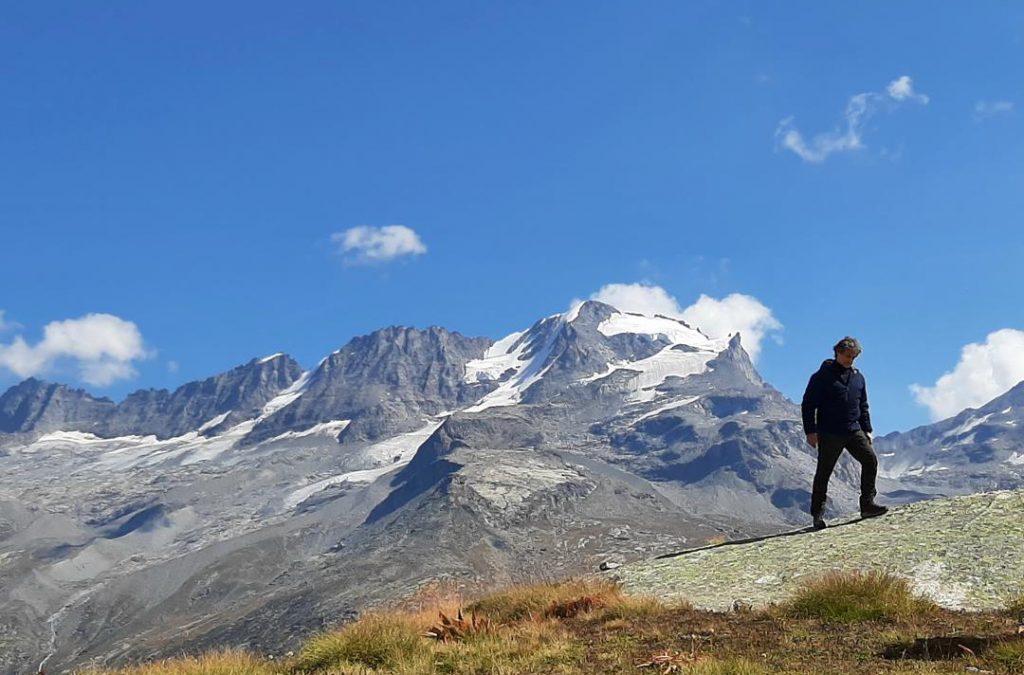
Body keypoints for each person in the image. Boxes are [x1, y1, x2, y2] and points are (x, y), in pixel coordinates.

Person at [801, 336, 888, 530]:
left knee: (870, 460)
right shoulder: (821, 377)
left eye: (854, 357)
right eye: (848, 356)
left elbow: (863, 405)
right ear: (838, 353)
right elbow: (808, 405)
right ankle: (817, 515)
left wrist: (867, 429)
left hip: (853, 429)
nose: (850, 360)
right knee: (824, 473)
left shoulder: (858, 377)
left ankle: (867, 504)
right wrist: (811, 431)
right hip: (830, 432)